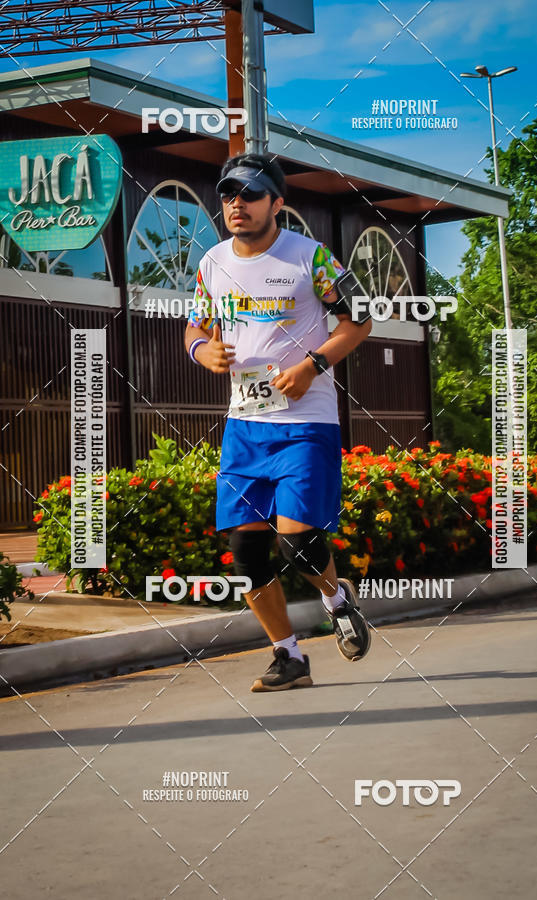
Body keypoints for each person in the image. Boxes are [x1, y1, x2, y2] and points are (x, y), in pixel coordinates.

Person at [184, 152, 372, 692]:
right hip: (245, 423)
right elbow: (196, 326)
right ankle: (288, 657)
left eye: (249, 194)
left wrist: (313, 366)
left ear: (277, 203)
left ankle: (338, 602)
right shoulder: (212, 262)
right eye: (227, 195)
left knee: (297, 544)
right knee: (246, 551)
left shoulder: (311, 257)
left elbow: (358, 319)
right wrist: (203, 352)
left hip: (306, 422)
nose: (236, 204)